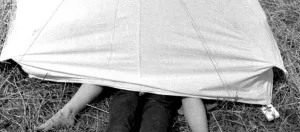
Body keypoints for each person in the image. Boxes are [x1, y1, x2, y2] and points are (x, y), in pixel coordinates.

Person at [34, 83, 208, 132]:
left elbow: (189, 88)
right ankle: (67, 115)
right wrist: (68, 110)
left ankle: (68, 114)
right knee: (120, 120)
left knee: (155, 122)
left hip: (163, 88)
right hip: (127, 84)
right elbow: (102, 73)